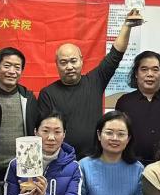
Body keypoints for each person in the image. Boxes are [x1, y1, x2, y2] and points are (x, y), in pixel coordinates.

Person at [38, 11, 139, 158]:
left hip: (95, 158)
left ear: (81, 60)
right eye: (63, 62)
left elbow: (115, 54)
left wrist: (127, 26)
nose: (69, 66)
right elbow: (44, 131)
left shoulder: (96, 80)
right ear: (57, 65)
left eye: (73, 61)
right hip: (62, 160)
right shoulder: (47, 93)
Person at [3, 112, 82, 195]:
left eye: (57, 132)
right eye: (45, 131)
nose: (51, 137)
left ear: (64, 134)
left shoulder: (73, 167)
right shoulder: (16, 165)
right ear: (36, 132)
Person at [78, 111, 146, 195]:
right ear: (99, 135)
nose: (115, 138)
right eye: (109, 133)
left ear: (128, 139)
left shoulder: (138, 169)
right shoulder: (83, 166)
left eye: (121, 134)